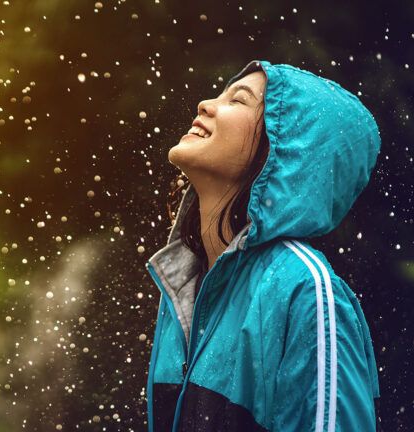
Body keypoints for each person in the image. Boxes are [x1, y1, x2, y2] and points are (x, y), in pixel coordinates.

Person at [145, 59, 382, 432]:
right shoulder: (185, 283)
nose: (206, 104)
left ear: (285, 150)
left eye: (237, 100)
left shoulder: (305, 290)